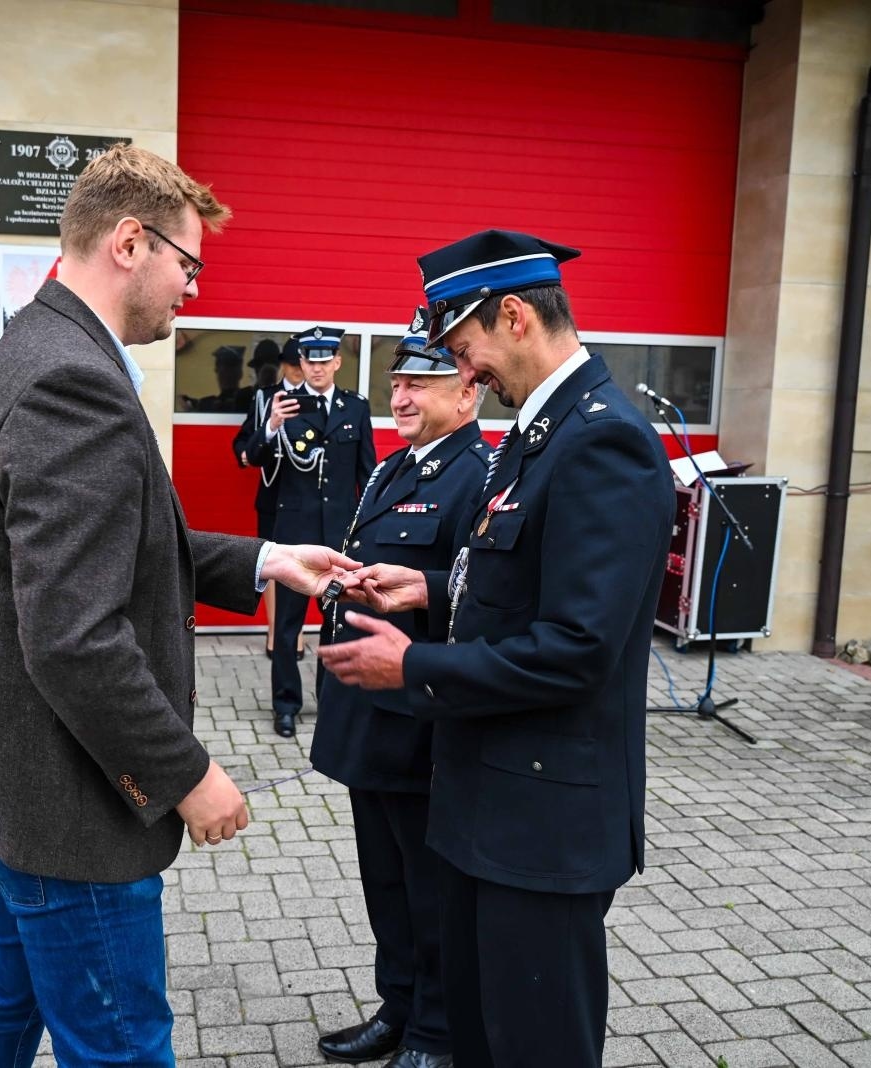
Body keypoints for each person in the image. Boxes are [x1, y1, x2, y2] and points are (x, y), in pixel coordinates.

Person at [0, 143, 355, 1068]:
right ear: (130, 242)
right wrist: (187, 777)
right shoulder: (71, 380)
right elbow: (76, 638)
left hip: (26, 780)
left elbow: (120, 543)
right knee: (120, 1044)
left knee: (14, 991)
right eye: (188, 263)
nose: (193, 289)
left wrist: (270, 557)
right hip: (70, 798)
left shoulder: (43, 347)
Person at [320, 230, 675, 1067]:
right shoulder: (538, 433)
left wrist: (412, 666)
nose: (464, 370)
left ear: (514, 317)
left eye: (463, 347)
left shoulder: (603, 441)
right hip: (489, 805)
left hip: (544, 824)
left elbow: (578, 647)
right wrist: (431, 591)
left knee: (534, 1045)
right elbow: (526, 587)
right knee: (481, 1041)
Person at [310, 313, 489, 1068]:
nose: (403, 396)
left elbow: (482, 597)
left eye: (422, 382)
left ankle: (438, 1033)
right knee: (385, 882)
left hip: (419, 717)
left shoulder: (478, 475)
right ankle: (399, 1007)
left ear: (468, 395)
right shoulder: (391, 467)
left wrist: (419, 595)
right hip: (365, 717)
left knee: (429, 890)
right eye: (397, 383)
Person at [243, 325, 374, 737]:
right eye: (309, 360)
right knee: (288, 625)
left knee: (337, 621)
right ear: (300, 363)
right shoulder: (284, 405)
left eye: (325, 360)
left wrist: (367, 527)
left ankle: (330, 703)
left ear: (337, 362)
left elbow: (366, 472)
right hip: (294, 532)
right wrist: (270, 426)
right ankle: (286, 705)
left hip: (339, 533)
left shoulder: (356, 407)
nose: (317, 368)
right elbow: (249, 456)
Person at [233, 335, 309, 661]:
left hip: (308, 494)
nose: (297, 371)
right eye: (291, 365)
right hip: (273, 491)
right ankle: (275, 629)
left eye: (302, 364)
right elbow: (243, 441)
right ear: (282, 365)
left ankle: (299, 630)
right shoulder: (265, 397)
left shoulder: (321, 398)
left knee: (304, 560)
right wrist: (247, 454)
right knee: (272, 563)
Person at [188, 343, 252, 412]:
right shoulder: (206, 404)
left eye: (231, 369)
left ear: (239, 373)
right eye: (224, 371)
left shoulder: (249, 399)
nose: (227, 375)